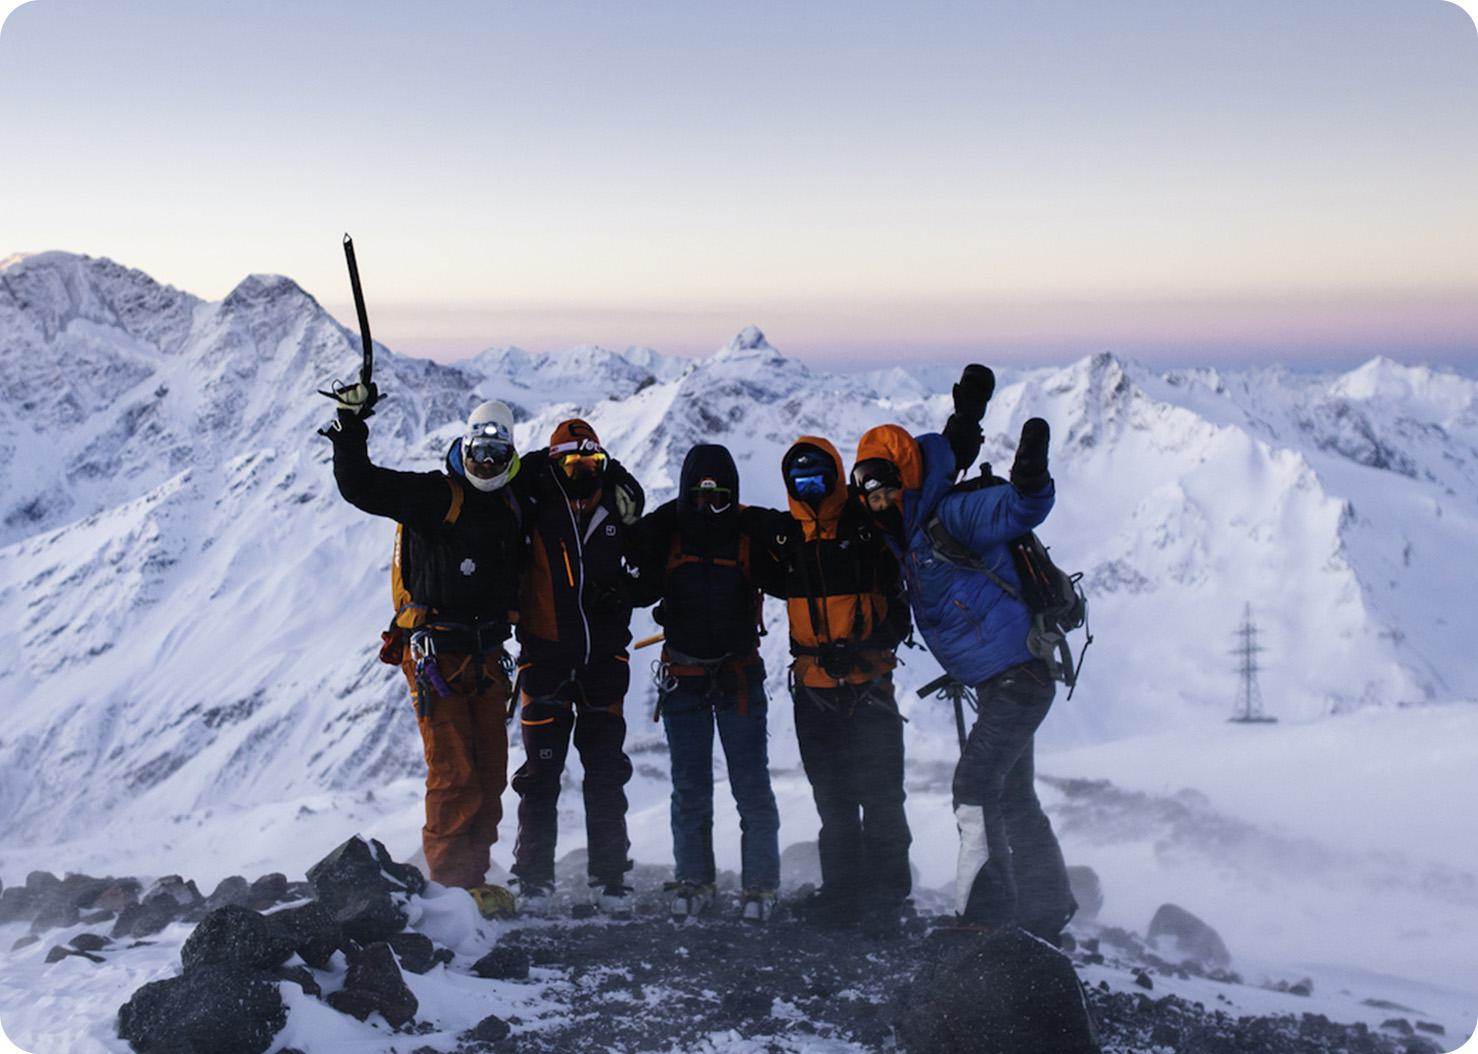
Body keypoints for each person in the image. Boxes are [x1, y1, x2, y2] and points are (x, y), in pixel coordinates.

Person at [756, 365, 993, 937]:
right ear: (789, 486)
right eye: (799, 482)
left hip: (869, 684)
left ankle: (885, 898)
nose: (810, 491)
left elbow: (927, 474)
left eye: (819, 480)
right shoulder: (780, 540)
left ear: (836, 477)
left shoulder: (866, 520)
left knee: (883, 798)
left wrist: (965, 422)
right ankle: (844, 895)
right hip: (813, 690)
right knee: (834, 802)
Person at [851, 405, 1076, 943]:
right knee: (1013, 794)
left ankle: (985, 915)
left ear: (905, 482)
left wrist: (1030, 476)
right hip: (1002, 679)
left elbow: (1024, 507)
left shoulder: (952, 516)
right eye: (869, 495)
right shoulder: (903, 533)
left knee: (973, 786)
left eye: (885, 490)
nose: (877, 503)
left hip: (1019, 679)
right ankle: (1047, 908)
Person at [325, 392, 522, 919]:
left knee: (488, 771)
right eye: (479, 453)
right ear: (465, 447)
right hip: (437, 655)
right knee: (454, 772)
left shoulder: (511, 502)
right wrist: (350, 428)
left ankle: (471, 880)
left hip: (485, 657)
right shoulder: (435, 496)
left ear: (510, 458)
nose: (486, 463)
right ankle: (454, 890)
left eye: (496, 456)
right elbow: (361, 486)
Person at [631, 444, 782, 922]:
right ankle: (696, 877)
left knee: (750, 786)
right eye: (699, 495)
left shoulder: (747, 535)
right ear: (686, 493)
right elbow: (638, 586)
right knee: (691, 786)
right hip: (689, 677)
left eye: (719, 497)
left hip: (731, 676)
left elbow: (789, 576)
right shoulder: (667, 535)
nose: (708, 505)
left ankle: (759, 885)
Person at [508, 418, 645, 915]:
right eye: (572, 462)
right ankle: (533, 880)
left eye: (593, 462)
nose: (583, 471)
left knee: (606, 772)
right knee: (541, 775)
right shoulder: (534, 506)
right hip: (545, 658)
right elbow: (506, 482)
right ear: (554, 464)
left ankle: (610, 880)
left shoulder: (617, 508)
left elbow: (644, 568)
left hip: (605, 661)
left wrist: (627, 591)